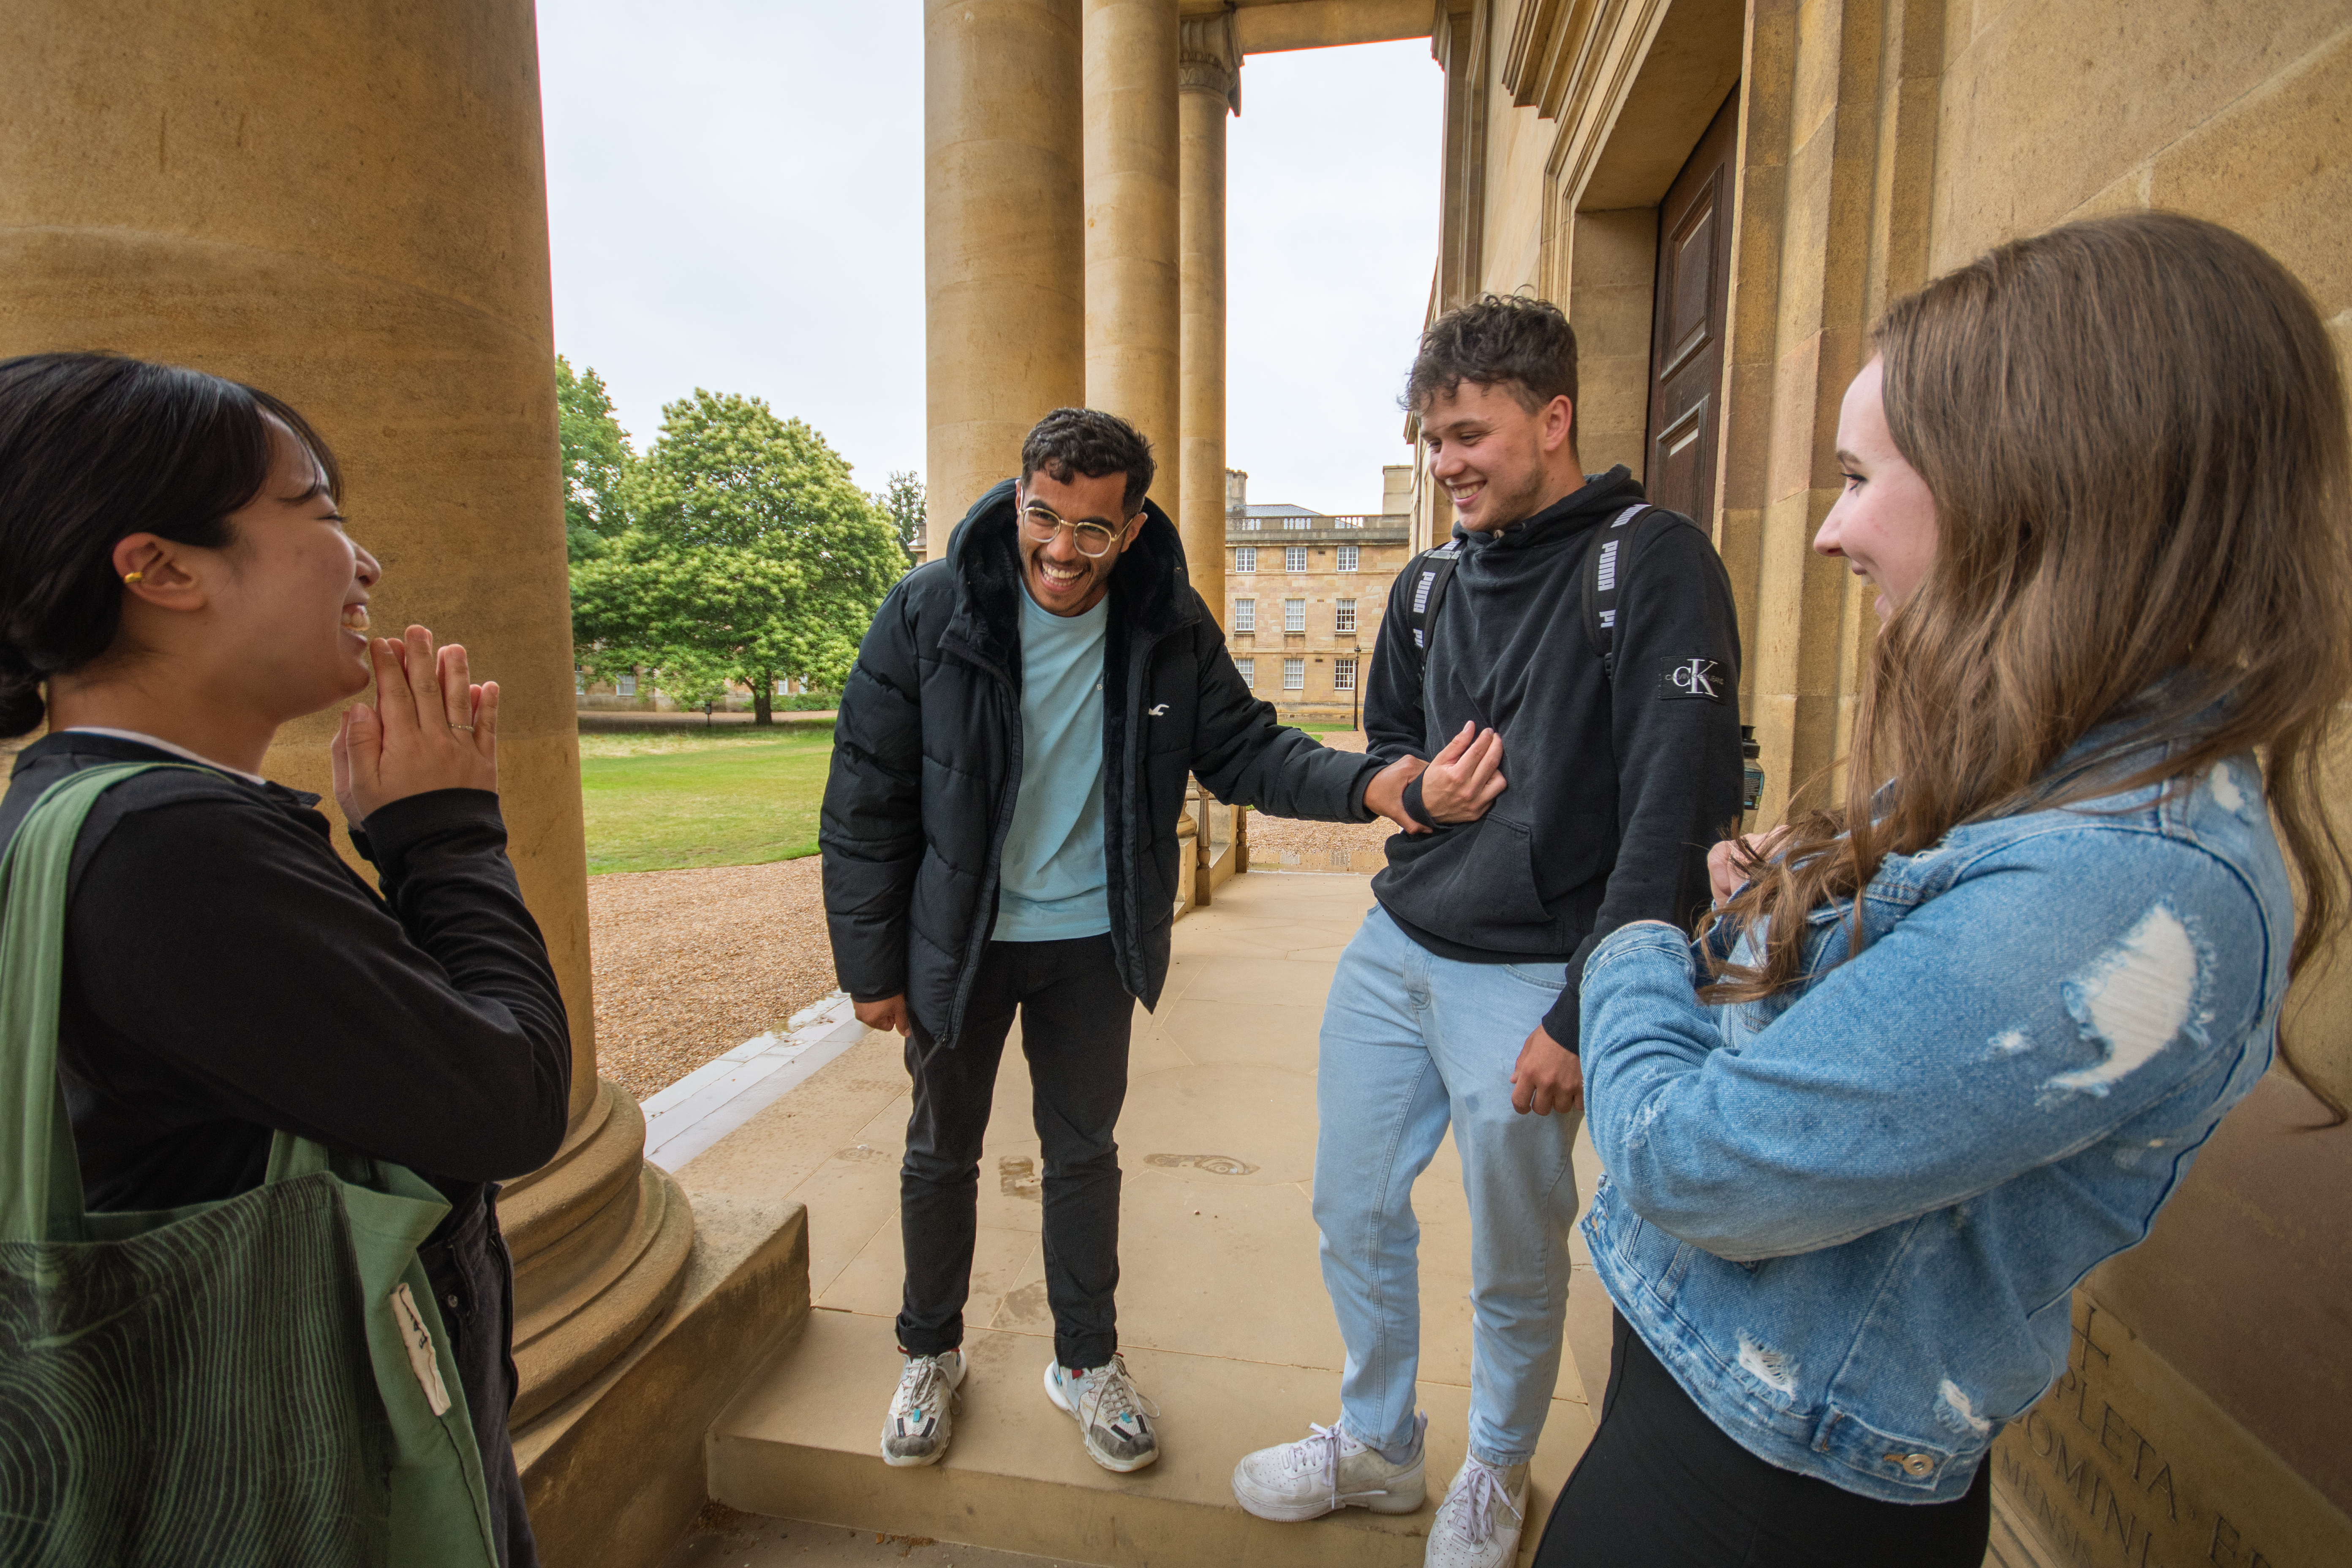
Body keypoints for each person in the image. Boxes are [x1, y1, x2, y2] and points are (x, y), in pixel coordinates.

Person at [1536, 211, 2351, 1567]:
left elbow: (1694, 1157)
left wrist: (1626, 943)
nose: (1828, 534)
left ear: (2043, 488)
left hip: (1763, 1493)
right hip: (1714, 1412)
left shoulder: (2127, 880)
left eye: (1861, 478)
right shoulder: (2055, 768)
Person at [0, 352, 571, 1568]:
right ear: (159, 569)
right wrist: (446, 834)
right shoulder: (168, 848)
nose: (363, 561)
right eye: (317, 510)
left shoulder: (85, 813)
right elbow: (512, 1103)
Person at [819, 407, 1455, 1475]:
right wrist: (870, 964)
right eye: (1044, 517)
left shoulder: (1165, 620)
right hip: (961, 941)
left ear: (1134, 523)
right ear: (1020, 496)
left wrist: (1371, 782)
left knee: (1083, 1158)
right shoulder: (932, 608)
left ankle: (1085, 1360)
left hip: (1087, 940)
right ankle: (930, 1351)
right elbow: (865, 796)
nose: (1062, 551)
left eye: (1092, 530)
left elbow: (1246, 749)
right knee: (941, 1152)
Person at [1232, 295, 1746, 1568]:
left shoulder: (1653, 560)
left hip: (1532, 978)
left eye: (1468, 433)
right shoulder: (1425, 587)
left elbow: (1677, 814)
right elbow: (1395, 745)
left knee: (1514, 1259)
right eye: (1432, 440)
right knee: (1350, 1208)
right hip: (1395, 955)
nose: (1446, 462)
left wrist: (1586, 1013)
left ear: (1553, 416)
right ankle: (1379, 1445)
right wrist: (1419, 788)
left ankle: (1496, 1471)